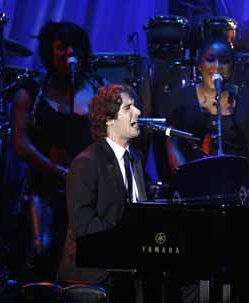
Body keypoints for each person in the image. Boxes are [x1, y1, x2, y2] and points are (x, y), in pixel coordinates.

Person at [12, 21, 104, 281]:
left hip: (87, 191)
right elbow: (21, 144)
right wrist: (59, 171)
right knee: (43, 253)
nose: (69, 53)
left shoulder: (97, 88)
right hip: (45, 187)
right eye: (61, 47)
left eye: (75, 47)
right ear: (49, 52)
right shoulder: (31, 92)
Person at [57, 84, 148, 302]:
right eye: (128, 108)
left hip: (127, 269)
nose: (138, 112)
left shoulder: (135, 159)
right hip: (94, 274)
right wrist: (129, 236)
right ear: (109, 120)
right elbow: (85, 227)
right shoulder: (87, 162)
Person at [159, 37, 249, 192]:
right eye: (210, 60)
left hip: (238, 187)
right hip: (192, 187)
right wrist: (188, 185)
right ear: (199, 64)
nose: (217, 67)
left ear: (233, 65)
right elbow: (172, 148)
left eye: (225, 61)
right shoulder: (179, 99)